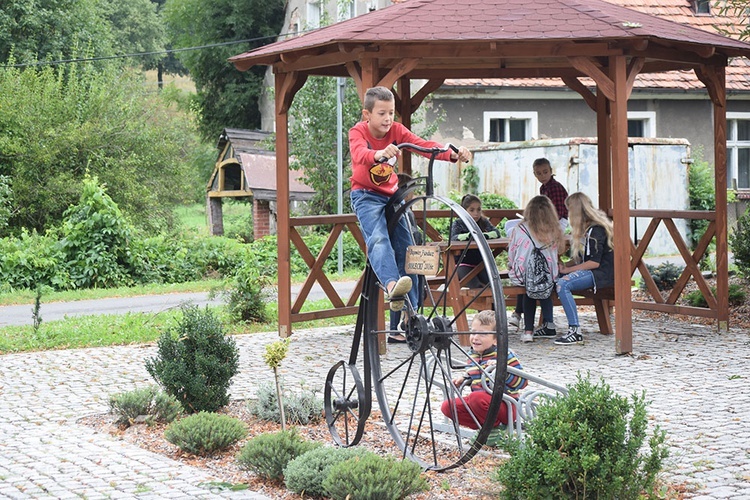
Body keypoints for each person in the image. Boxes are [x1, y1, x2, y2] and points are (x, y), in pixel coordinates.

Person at [349, 86, 472, 319]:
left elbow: (424, 145)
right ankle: (392, 286)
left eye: (391, 113)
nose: (387, 119)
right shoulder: (358, 132)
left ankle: (412, 314)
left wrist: (452, 154)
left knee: (407, 248)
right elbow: (359, 154)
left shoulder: (397, 130)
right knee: (378, 238)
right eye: (381, 113)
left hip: (392, 196)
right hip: (366, 195)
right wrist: (379, 154)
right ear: (367, 115)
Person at [440, 310, 527, 446]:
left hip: (505, 406)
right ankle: (487, 429)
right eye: (473, 332)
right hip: (482, 405)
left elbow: (522, 382)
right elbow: (474, 374)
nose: (475, 337)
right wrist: (464, 377)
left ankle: (496, 428)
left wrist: (502, 370)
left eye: (483, 334)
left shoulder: (505, 355)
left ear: (496, 339)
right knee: (448, 407)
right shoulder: (472, 356)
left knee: (476, 398)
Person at [510, 157, 569, 329]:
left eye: (545, 172)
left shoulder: (555, 188)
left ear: (551, 171)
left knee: (529, 277)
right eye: (538, 173)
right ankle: (540, 321)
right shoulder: (543, 188)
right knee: (534, 274)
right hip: (544, 264)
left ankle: (521, 316)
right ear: (534, 174)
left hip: (554, 225)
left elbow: (558, 213)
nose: (542, 176)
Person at [555, 192, 615, 345]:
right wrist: (566, 265)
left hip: (601, 274)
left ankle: (575, 331)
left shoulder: (596, 230)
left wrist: (568, 271)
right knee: (556, 278)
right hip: (594, 271)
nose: (568, 215)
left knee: (563, 284)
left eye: (569, 210)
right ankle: (548, 324)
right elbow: (583, 258)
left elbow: (593, 263)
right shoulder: (589, 228)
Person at [507, 195, 565, 343]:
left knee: (529, 286)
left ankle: (528, 331)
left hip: (522, 275)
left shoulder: (519, 229)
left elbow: (511, 254)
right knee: (544, 283)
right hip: (548, 276)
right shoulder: (554, 229)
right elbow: (560, 252)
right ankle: (549, 324)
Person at [388, 173, 424, 343]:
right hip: (403, 255)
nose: (413, 194)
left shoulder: (406, 210)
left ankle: (407, 321)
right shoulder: (399, 209)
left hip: (411, 254)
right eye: (410, 189)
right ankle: (403, 324)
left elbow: (414, 233)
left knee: (410, 285)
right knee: (402, 288)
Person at [449, 194, 500, 288]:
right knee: (477, 287)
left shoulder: (484, 222)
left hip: (481, 263)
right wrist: (470, 236)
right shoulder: (458, 223)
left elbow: (496, 233)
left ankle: (494, 303)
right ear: (464, 211)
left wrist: (483, 236)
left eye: (478, 209)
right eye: (472, 210)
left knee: (493, 286)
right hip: (462, 263)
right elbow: (454, 238)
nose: (476, 213)